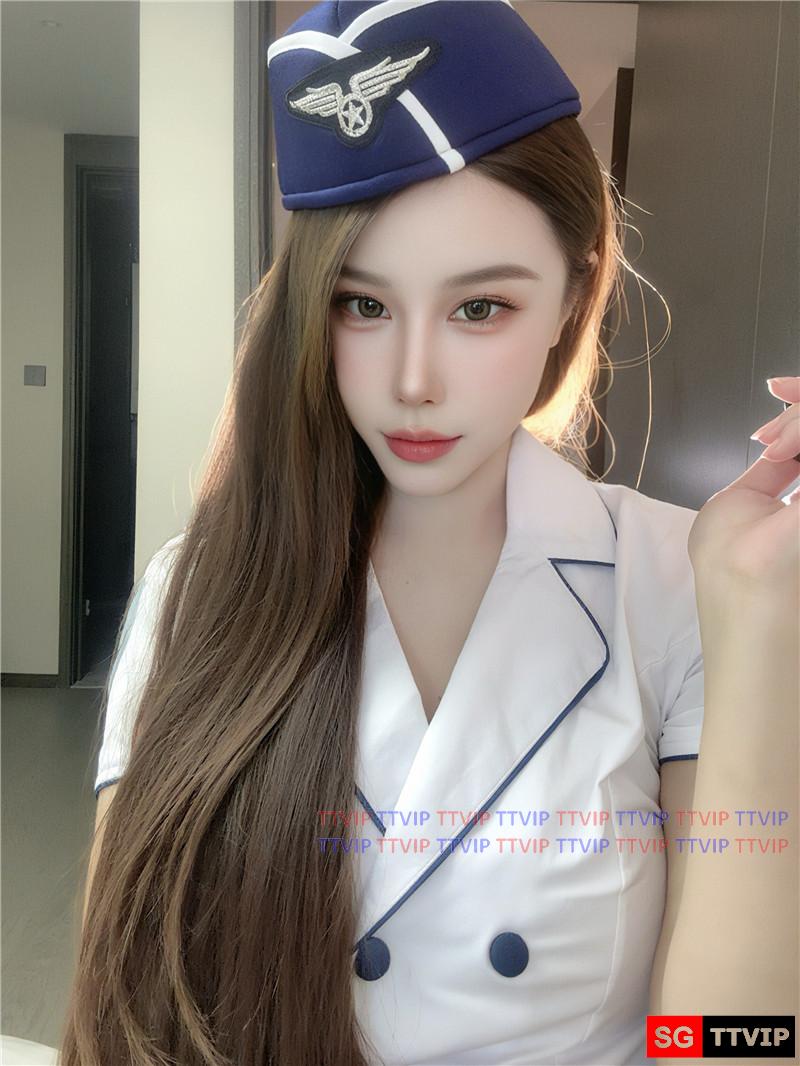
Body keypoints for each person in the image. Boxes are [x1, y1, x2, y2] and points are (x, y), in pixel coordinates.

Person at [60, 2, 799, 1064]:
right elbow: (122, 1008)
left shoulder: (673, 581)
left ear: (572, 294)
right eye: (362, 307)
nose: (412, 381)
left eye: (479, 308)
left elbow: (731, 1046)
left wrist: (764, 616)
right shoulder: (201, 589)